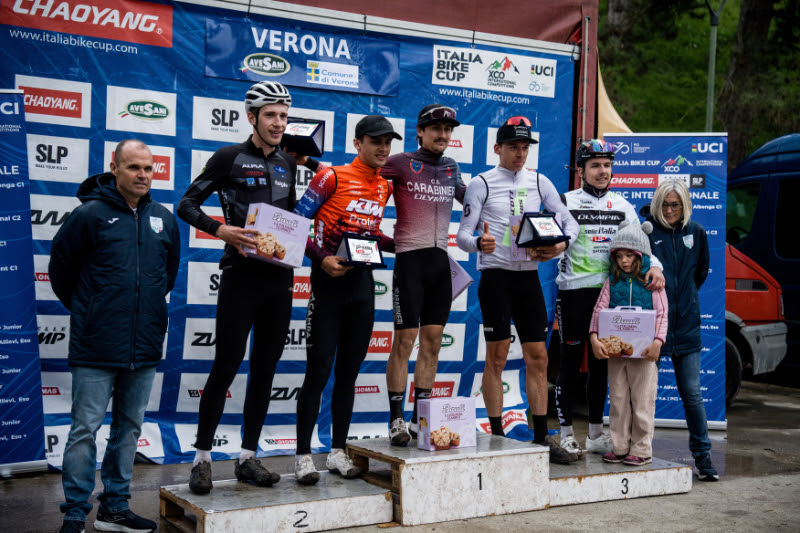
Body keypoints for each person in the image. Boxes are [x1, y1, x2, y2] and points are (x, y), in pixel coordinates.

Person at [49, 140, 180, 533]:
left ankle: (115, 510)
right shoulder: (88, 215)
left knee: (129, 430)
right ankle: (75, 513)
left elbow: (166, 277)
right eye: (134, 167)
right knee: (84, 430)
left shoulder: (163, 219)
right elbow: (61, 272)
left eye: (148, 168)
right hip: (96, 343)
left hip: (144, 346)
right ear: (115, 168)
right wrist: (91, 309)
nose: (142, 175)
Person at [177, 81, 298, 494]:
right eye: (271, 115)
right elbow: (186, 204)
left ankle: (248, 457)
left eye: (283, 115)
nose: (278, 122)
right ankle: (202, 458)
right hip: (240, 277)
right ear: (252, 117)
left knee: (265, 369)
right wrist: (221, 230)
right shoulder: (229, 157)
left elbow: (290, 219)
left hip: (279, 280)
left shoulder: (287, 163)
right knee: (226, 365)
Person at [456, 116, 579, 464]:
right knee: (496, 358)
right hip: (496, 279)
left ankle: (541, 438)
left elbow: (569, 222)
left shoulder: (540, 181)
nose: (520, 154)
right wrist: (478, 243)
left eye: (525, 147)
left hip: (528, 280)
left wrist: (560, 246)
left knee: (538, 358)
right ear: (498, 148)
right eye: (513, 147)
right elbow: (462, 235)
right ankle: (497, 438)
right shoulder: (481, 182)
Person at [292, 115, 398, 484]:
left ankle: (338, 450)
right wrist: (321, 259)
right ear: (358, 143)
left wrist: (404, 244)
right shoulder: (331, 177)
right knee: (319, 370)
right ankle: (303, 455)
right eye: (375, 141)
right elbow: (294, 222)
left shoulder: (383, 186)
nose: (383, 148)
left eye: (387, 142)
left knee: (349, 373)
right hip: (328, 283)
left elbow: (370, 234)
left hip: (362, 286)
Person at [554, 139, 665, 459]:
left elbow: (642, 247)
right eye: (595, 166)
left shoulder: (622, 205)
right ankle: (565, 434)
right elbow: (547, 239)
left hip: (608, 295)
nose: (603, 171)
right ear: (581, 170)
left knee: (602, 366)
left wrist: (656, 267)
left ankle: (595, 435)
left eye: (607, 165)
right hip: (574, 292)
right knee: (569, 364)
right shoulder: (565, 201)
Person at [381, 104, 466, 446]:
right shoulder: (400, 162)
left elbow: (474, 200)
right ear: (420, 131)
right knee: (404, 341)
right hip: (410, 264)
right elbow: (364, 180)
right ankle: (396, 420)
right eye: (436, 129)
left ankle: (421, 419)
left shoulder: (451, 167)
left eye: (448, 130)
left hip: (440, 265)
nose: (443, 135)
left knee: (431, 343)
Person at [645, 179, 720, 481]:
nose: (669, 210)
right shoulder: (647, 232)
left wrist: (685, 297)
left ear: (685, 205)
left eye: (674, 205)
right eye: (664, 204)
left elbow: (700, 273)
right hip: (654, 328)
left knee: (692, 394)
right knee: (645, 394)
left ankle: (704, 459)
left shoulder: (697, 232)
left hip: (687, 326)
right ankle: (639, 452)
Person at [588, 221, 668, 466]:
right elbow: (598, 310)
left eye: (629, 255)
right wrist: (594, 338)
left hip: (644, 354)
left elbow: (662, 314)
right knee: (619, 400)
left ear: (641, 255)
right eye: (619, 256)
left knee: (643, 401)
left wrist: (657, 342)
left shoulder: (652, 282)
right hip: (616, 355)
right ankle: (620, 446)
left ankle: (642, 449)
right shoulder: (612, 281)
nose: (624, 261)